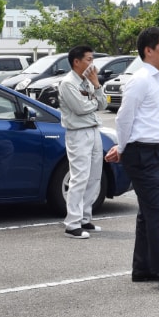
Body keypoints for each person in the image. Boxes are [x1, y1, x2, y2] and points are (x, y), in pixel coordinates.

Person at [104, 27, 159, 294]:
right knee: (156, 213)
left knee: (147, 212)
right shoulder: (141, 79)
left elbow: (141, 119)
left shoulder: (154, 78)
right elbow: (123, 116)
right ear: (148, 50)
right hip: (141, 152)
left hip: (153, 150)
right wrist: (122, 146)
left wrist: (124, 146)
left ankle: (142, 268)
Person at [59, 45, 107, 239]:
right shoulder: (68, 83)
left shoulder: (88, 81)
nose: (92, 63)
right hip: (78, 133)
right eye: (88, 59)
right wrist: (94, 102)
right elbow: (80, 108)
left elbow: (103, 104)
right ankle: (72, 223)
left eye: (92, 59)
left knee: (95, 176)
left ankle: (85, 218)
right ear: (76, 61)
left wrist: (96, 85)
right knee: (79, 177)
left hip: (94, 131)